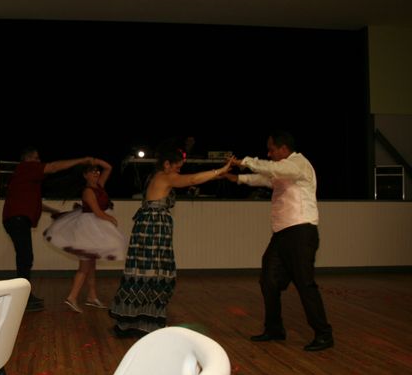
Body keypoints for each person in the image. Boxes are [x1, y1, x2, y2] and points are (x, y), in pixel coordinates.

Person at [225, 130, 334, 352]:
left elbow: (272, 169)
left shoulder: (298, 164)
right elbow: (266, 179)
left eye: (272, 149)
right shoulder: (285, 170)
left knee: (305, 283)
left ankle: (324, 334)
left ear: (284, 149)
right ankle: (275, 329)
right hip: (282, 233)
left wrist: (245, 162)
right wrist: (237, 178)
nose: (269, 152)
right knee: (268, 280)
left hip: (301, 231)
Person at [109, 145, 232, 337]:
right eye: (177, 167)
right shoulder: (165, 177)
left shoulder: (156, 176)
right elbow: (191, 179)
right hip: (153, 229)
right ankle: (145, 323)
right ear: (166, 164)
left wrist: (217, 175)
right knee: (155, 271)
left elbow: (191, 180)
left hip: (148, 226)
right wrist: (220, 170)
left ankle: (131, 322)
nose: (178, 171)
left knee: (144, 270)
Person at [2, 147, 93, 312]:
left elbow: (35, 203)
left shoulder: (25, 178)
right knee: (25, 258)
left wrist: (54, 212)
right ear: (28, 158)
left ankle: (25, 295)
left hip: (15, 220)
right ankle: (23, 297)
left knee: (24, 257)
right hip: (17, 220)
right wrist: (80, 160)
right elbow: (53, 167)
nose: (39, 161)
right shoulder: (26, 167)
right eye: (36, 158)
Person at [43, 158, 127, 313]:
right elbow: (97, 212)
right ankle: (72, 297)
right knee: (85, 266)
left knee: (91, 264)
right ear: (85, 176)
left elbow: (108, 167)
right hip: (89, 228)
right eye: (92, 171)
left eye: (96, 171)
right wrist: (111, 218)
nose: (96, 173)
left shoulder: (99, 185)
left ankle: (92, 296)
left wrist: (94, 160)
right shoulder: (88, 191)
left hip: (96, 228)